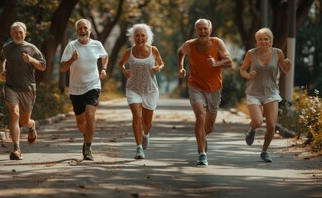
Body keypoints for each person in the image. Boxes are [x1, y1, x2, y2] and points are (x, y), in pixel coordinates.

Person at [177, 18, 232, 166]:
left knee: (209, 127)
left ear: (210, 30)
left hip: (214, 88)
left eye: (205, 28)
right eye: (199, 29)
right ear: (196, 31)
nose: (202, 31)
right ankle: (202, 154)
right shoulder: (189, 45)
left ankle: (203, 136)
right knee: (200, 116)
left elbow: (230, 63)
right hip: (195, 86)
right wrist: (181, 67)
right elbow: (180, 52)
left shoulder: (217, 43)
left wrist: (216, 63)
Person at [240, 27, 291, 163]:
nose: (263, 41)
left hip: (271, 92)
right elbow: (242, 70)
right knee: (257, 121)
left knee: (271, 125)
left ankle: (264, 151)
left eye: (266, 39)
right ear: (256, 41)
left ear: (271, 40)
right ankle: (252, 129)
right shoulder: (251, 53)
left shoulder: (278, 53)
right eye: (260, 39)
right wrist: (248, 75)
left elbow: (285, 70)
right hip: (254, 92)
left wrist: (288, 65)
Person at [60, 18, 108, 161]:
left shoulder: (97, 45)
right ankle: (86, 136)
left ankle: (88, 147)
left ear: (90, 30)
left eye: (85, 27)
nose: (82, 30)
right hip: (76, 88)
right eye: (80, 28)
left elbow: (105, 56)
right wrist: (72, 59)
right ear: (77, 30)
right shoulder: (71, 46)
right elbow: (63, 68)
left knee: (90, 115)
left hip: (92, 85)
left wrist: (104, 68)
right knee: (80, 122)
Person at [0, 21, 46, 160]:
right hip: (11, 87)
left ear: (25, 33)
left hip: (28, 88)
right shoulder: (7, 48)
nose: (18, 35)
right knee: (14, 115)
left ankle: (31, 127)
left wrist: (31, 59)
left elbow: (43, 66)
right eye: (16, 32)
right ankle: (16, 149)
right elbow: (2, 58)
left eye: (21, 32)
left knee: (25, 121)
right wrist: (2, 70)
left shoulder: (32, 48)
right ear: (11, 34)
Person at [118, 23, 164, 159]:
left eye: (142, 35)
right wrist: (124, 71)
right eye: (137, 36)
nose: (140, 38)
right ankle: (138, 148)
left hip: (150, 89)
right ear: (133, 37)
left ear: (147, 37)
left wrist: (158, 67)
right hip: (133, 88)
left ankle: (145, 134)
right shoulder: (129, 52)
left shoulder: (153, 50)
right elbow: (121, 63)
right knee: (137, 116)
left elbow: (161, 62)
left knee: (147, 124)